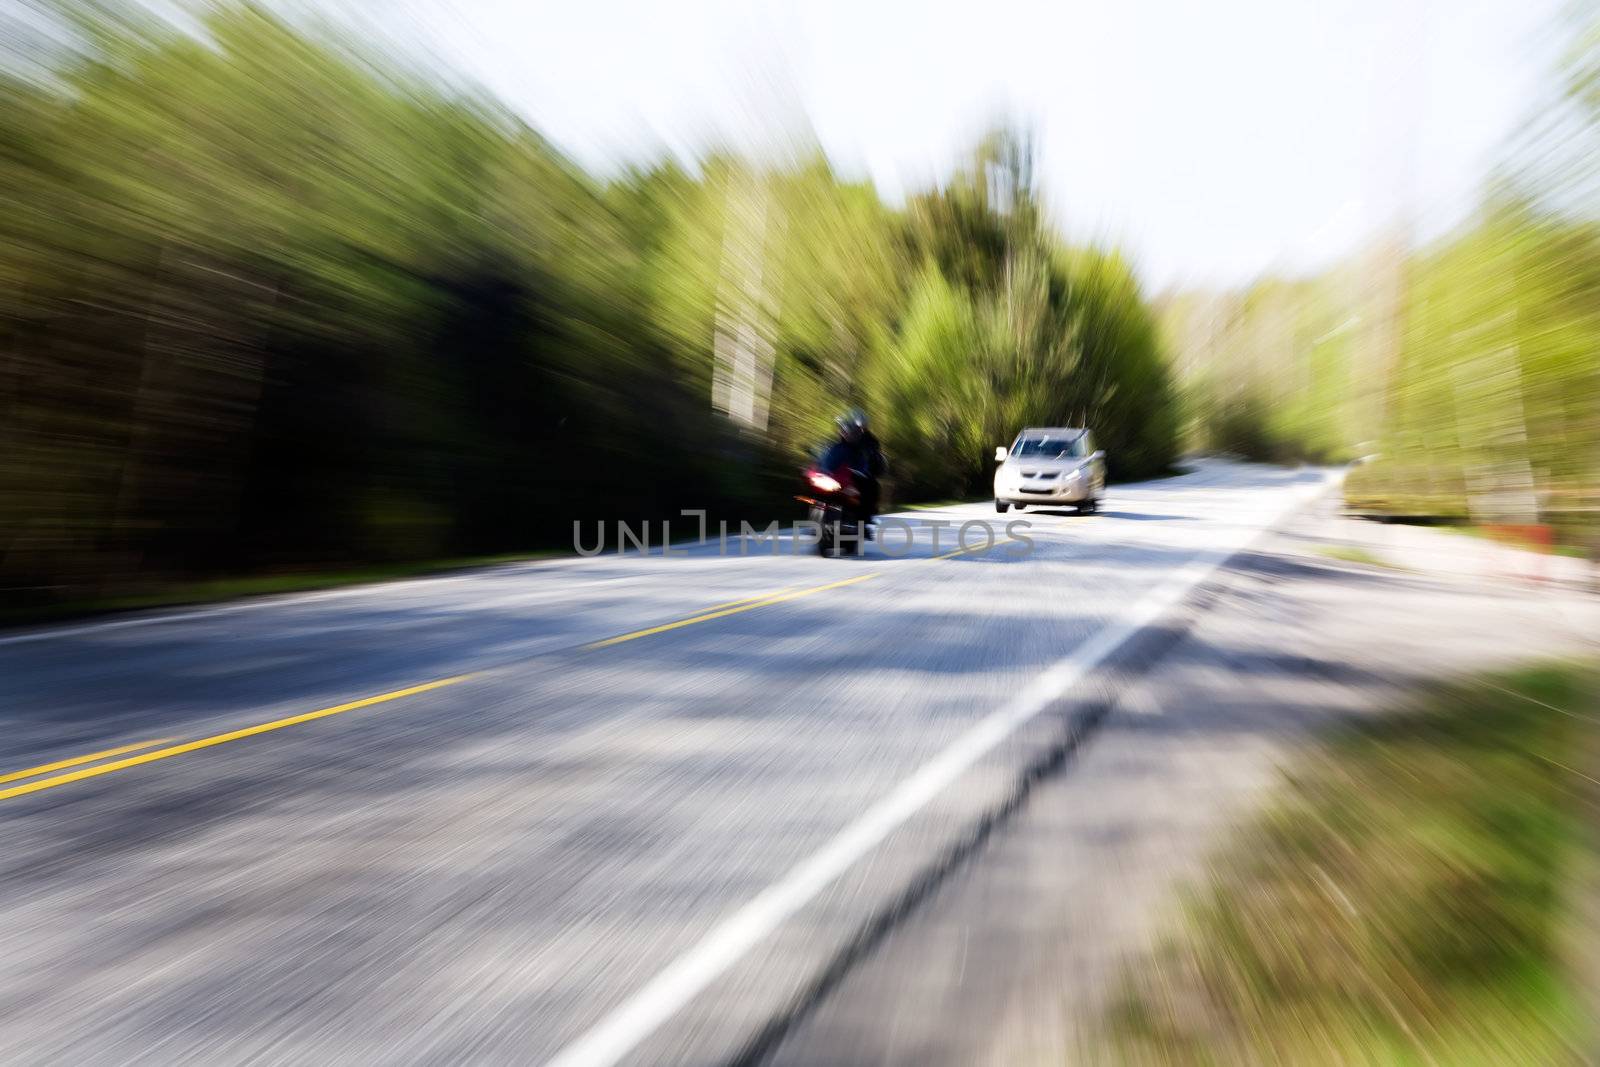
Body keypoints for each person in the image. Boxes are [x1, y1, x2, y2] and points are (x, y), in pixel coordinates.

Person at [819, 409, 886, 529]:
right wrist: (820, 463)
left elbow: (870, 458)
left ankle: (866, 516)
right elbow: (830, 454)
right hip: (839, 475)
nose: (846, 432)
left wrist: (865, 468)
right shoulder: (839, 444)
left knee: (871, 486)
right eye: (846, 429)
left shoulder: (870, 442)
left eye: (857, 427)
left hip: (860, 474)